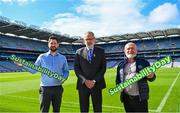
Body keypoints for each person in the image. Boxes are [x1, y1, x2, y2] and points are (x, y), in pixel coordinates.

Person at [15, 36, 69, 113]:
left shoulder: (63, 58)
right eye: (51, 43)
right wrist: (23, 65)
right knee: (44, 110)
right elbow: (34, 70)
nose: (53, 45)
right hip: (45, 89)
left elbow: (66, 71)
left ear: (58, 45)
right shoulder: (42, 57)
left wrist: (64, 78)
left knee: (57, 110)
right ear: (48, 44)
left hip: (58, 88)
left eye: (55, 43)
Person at [116, 42, 156, 112]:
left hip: (140, 98)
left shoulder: (144, 62)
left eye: (132, 48)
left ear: (136, 51)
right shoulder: (120, 65)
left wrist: (151, 76)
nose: (130, 50)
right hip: (126, 98)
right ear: (125, 51)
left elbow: (152, 78)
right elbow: (118, 80)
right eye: (128, 49)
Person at [74, 31, 106, 113]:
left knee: (98, 109)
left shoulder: (101, 51)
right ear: (84, 41)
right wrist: (85, 80)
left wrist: (94, 81)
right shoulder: (78, 52)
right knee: (83, 109)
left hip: (97, 84)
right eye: (86, 39)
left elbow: (103, 68)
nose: (89, 41)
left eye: (90, 39)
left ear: (94, 39)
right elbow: (77, 68)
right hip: (83, 86)